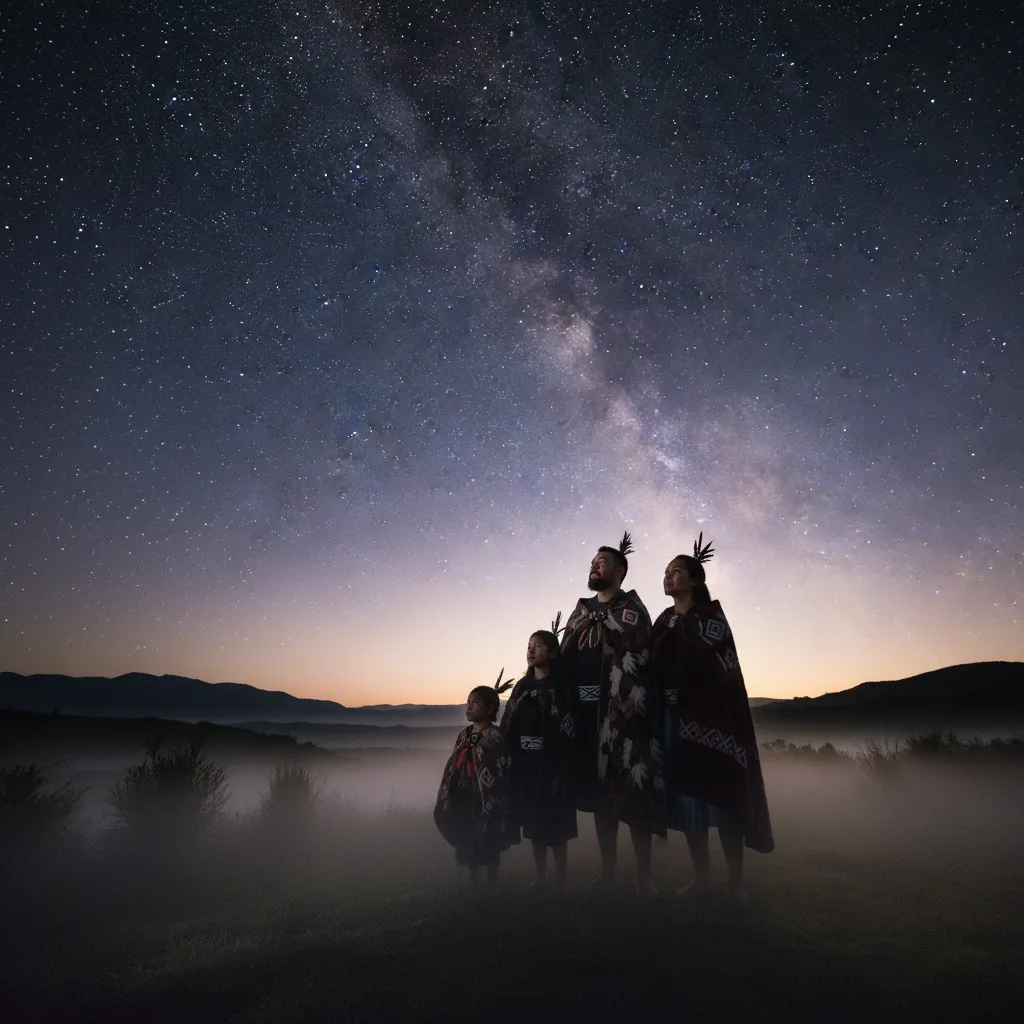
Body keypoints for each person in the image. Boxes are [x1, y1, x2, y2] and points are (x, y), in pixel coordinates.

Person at [652, 535, 774, 903]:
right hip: (673, 720)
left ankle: (736, 884)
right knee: (691, 800)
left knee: (723, 799)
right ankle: (701, 879)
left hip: (713, 723)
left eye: (676, 571)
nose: (668, 576)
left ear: (694, 580)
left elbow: (725, 672)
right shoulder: (662, 622)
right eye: (666, 571)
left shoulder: (711, 619)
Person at [559, 531, 664, 893]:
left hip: (623, 717)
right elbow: (564, 658)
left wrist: (633, 701)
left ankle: (644, 877)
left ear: (620, 571)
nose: (594, 566)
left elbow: (645, 660)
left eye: (601, 562)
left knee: (633, 789)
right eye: (592, 562)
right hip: (584, 717)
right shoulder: (580, 612)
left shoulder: (632, 611)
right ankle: (608, 873)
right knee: (601, 794)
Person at [499, 618, 578, 889]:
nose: (531, 651)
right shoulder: (522, 687)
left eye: (538, 646)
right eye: (529, 647)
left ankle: (562, 879)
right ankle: (541, 878)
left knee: (556, 820)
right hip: (527, 764)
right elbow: (509, 723)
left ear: (552, 652)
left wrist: (563, 760)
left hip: (554, 763)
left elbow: (569, 725)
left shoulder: (561, 687)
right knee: (533, 819)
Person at [434, 675, 514, 890]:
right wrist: (449, 794)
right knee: (466, 834)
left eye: (475, 703)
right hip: (463, 794)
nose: (468, 707)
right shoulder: (464, 735)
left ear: (490, 708)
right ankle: (474, 884)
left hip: (486, 799)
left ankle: (492, 885)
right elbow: (453, 765)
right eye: (467, 702)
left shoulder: (494, 736)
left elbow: (501, 767)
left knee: (488, 840)